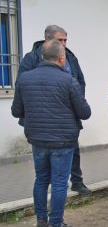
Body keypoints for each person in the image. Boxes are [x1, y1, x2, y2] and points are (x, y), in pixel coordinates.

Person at [12, 40, 91, 227]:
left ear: (41, 56)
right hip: (63, 140)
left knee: (41, 180)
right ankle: (55, 225)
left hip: (37, 139)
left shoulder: (24, 79)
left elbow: (16, 111)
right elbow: (85, 112)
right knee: (58, 182)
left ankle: (41, 222)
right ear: (61, 58)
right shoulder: (68, 80)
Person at [17, 24, 91, 195]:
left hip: (67, 116)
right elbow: (22, 86)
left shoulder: (70, 56)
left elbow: (79, 81)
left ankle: (77, 181)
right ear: (47, 40)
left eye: (65, 40)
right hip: (41, 119)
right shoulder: (31, 58)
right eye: (60, 40)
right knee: (46, 171)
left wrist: (77, 103)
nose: (64, 43)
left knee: (74, 150)